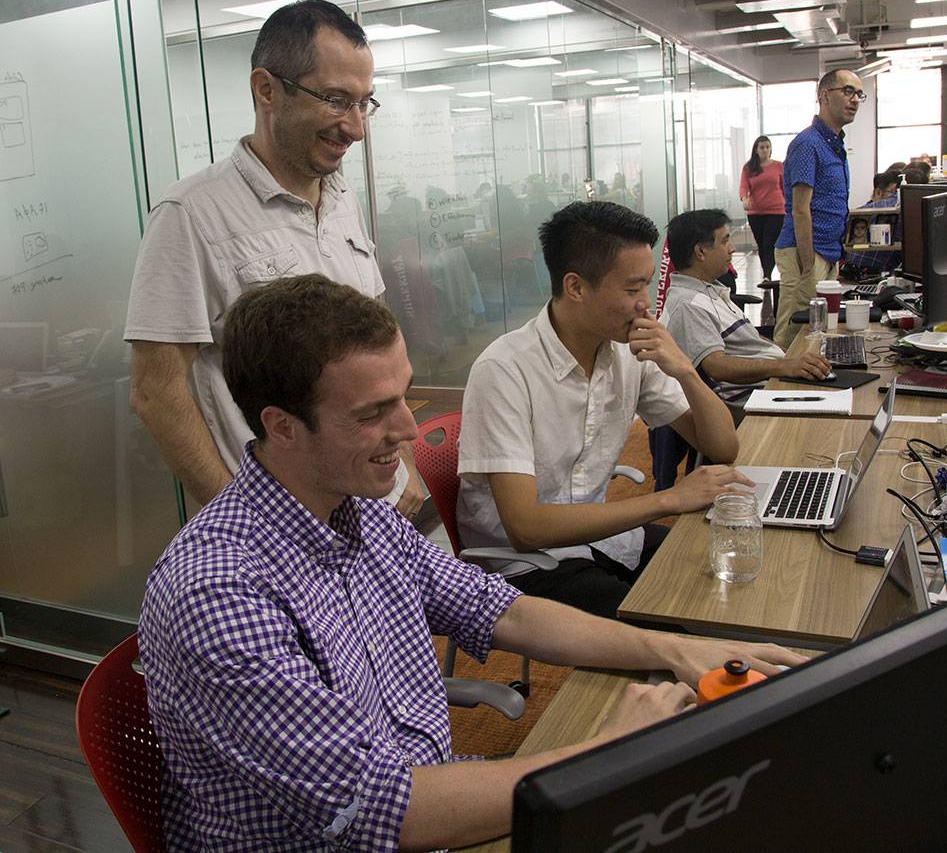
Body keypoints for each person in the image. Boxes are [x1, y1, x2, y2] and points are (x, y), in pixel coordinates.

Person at [137, 273, 806, 851]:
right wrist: (606, 747)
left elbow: (503, 608)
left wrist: (675, 650)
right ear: (281, 426)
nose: (407, 428)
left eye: (403, 393)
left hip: (432, 804)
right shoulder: (218, 593)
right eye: (373, 412)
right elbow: (379, 810)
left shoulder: (357, 511)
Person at [124, 0, 424, 519]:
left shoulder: (341, 200)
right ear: (266, 89)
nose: (355, 128)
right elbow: (157, 391)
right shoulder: (191, 214)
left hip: (373, 508)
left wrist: (407, 468)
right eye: (335, 100)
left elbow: (378, 352)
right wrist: (245, 522)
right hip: (281, 519)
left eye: (363, 103)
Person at [456, 201, 751, 618]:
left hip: (602, 537)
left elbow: (723, 446)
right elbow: (526, 529)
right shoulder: (504, 370)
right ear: (576, 287)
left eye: (647, 286)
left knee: (720, 571)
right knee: (670, 627)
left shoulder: (628, 351)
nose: (644, 304)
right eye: (632, 289)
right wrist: (669, 499)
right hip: (524, 565)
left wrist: (685, 369)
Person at [661, 209, 830, 409]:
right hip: (752, 399)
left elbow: (750, 340)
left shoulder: (710, 289)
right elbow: (717, 366)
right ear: (700, 252)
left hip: (771, 384)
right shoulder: (688, 305)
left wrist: (792, 357)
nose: (732, 248)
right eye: (724, 241)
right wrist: (784, 365)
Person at [773, 69, 864, 349]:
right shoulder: (808, 143)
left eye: (859, 94)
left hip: (827, 250)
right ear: (824, 96)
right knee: (794, 329)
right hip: (806, 251)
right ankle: (777, 387)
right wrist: (808, 262)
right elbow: (801, 209)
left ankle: (808, 383)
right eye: (847, 91)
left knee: (819, 328)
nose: (855, 100)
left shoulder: (834, 144)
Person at [739, 135, 786, 285]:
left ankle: (767, 275)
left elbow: (785, 187)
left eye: (767, 147)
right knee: (761, 244)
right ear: (756, 150)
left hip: (776, 211)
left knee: (768, 242)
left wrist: (791, 207)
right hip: (755, 212)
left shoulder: (779, 166)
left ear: (771, 149)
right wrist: (744, 199)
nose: (765, 150)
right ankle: (766, 272)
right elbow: (744, 187)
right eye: (762, 147)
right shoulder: (749, 167)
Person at [843, 171, 901, 278]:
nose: (893, 197)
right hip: (881, 274)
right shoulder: (903, 206)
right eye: (891, 192)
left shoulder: (863, 211)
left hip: (853, 271)